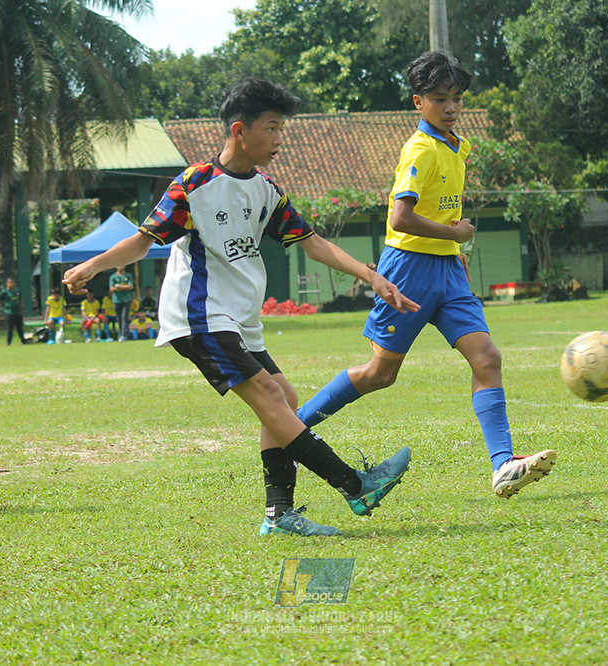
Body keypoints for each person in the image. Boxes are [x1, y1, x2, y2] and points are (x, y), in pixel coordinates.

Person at [63, 78, 420, 537]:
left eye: (281, 129)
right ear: (239, 130)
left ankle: (279, 515)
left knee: (285, 401)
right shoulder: (195, 184)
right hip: (199, 315)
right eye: (271, 129)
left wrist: (371, 276)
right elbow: (141, 241)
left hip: (239, 319)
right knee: (274, 399)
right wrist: (89, 266)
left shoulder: (267, 189)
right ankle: (355, 485)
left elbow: (313, 244)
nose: (278, 140)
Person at [297, 51, 556, 500]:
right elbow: (400, 217)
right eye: (440, 99)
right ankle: (292, 428)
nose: (451, 107)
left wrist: (456, 247)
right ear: (419, 102)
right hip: (409, 269)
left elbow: (444, 206)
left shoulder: (459, 145)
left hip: (448, 270)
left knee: (487, 358)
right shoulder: (419, 148)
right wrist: (453, 233)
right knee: (381, 374)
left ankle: (503, 465)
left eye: (457, 98)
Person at [0, 277, 28, 345]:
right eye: (10, 282)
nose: (12, 284)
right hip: (9, 313)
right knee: (9, 328)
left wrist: (22, 308)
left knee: (20, 328)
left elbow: (20, 300)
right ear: (7, 284)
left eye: (13, 282)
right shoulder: (4, 292)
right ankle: (8, 342)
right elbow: (0, 300)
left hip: (17, 312)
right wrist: (6, 306)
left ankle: (23, 341)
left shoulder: (17, 291)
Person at [109, 265, 135, 341]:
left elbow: (130, 287)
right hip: (116, 300)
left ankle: (123, 335)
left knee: (124, 317)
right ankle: (121, 333)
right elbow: (112, 289)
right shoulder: (113, 277)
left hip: (127, 300)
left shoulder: (128, 275)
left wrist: (119, 287)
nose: (121, 266)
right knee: (119, 317)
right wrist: (124, 287)